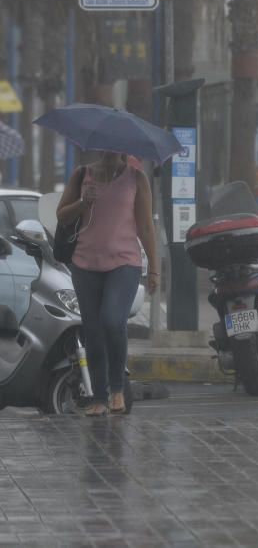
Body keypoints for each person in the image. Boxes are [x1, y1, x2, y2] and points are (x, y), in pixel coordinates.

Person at [56, 152, 157, 416]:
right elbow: (62, 216)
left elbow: (146, 227)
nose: (111, 149)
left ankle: (118, 389)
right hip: (84, 263)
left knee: (112, 320)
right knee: (93, 330)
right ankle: (98, 396)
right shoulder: (82, 174)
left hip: (124, 262)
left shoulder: (137, 178)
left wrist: (155, 269)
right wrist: (82, 202)